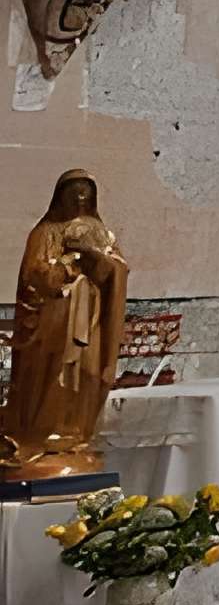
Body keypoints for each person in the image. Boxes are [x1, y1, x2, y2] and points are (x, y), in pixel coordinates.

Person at [0, 172, 129, 483]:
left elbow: (118, 270)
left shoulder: (103, 234)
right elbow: (35, 275)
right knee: (52, 377)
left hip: (91, 324)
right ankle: (43, 437)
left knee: (85, 377)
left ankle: (75, 438)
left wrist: (98, 260)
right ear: (60, 196)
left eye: (86, 192)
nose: (80, 198)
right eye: (74, 191)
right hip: (54, 324)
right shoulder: (45, 232)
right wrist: (70, 264)